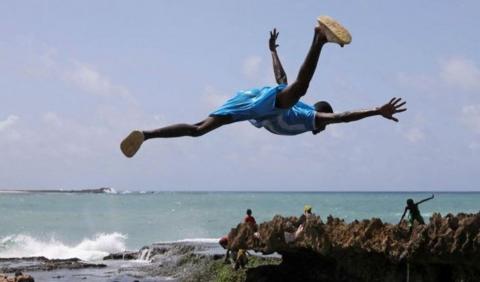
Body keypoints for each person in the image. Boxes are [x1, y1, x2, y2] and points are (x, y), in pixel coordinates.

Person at [121, 16, 407, 158]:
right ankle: (319, 38)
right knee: (300, 88)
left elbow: (280, 79)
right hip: (264, 105)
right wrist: (376, 110)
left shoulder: (295, 108)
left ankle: (146, 135)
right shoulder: (310, 118)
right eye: (323, 126)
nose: (322, 130)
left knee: (198, 129)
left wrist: (272, 51)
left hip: (250, 99)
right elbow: (342, 117)